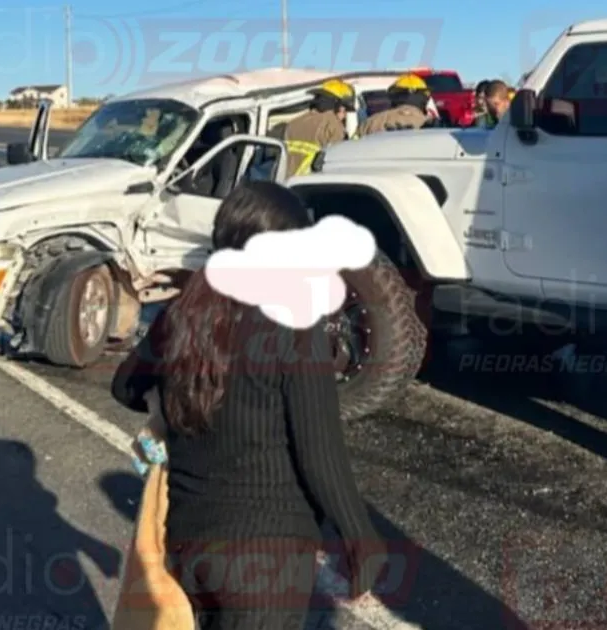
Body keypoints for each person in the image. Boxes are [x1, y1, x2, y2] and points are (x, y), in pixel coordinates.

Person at [110, 181, 385, 629]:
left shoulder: (183, 313)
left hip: (189, 544)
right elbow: (319, 451)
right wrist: (359, 536)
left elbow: (124, 387)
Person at [277, 78, 355, 175]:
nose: (345, 115)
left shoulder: (293, 123)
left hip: (285, 184)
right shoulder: (333, 125)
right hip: (312, 185)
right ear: (338, 105)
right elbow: (339, 164)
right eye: (345, 109)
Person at [355, 73, 431, 137]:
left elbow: (351, 148)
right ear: (425, 99)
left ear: (393, 96)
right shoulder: (433, 126)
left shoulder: (370, 123)